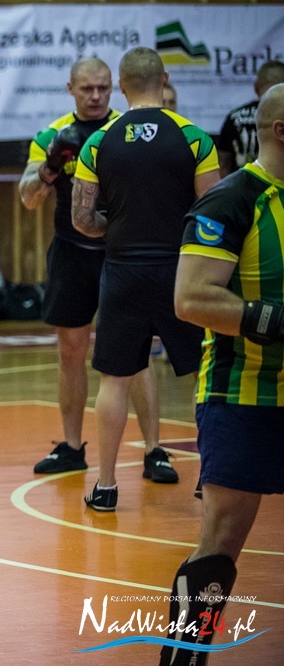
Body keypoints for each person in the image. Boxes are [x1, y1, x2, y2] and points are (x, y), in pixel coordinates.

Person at [158, 83, 284, 666]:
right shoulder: (232, 200)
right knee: (222, 541)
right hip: (242, 393)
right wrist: (276, 321)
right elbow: (190, 299)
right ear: (280, 130)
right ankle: (184, 656)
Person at [71, 47, 220, 511]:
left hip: (122, 270)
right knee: (203, 376)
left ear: (121, 85)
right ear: (165, 79)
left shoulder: (99, 142)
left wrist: (116, 228)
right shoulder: (194, 138)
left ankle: (106, 486)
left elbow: (81, 219)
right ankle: (211, 478)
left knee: (115, 380)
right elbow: (213, 216)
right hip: (180, 272)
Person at [19, 58, 164, 481]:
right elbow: (28, 198)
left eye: (103, 88)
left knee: (136, 352)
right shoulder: (51, 135)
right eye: (87, 89)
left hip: (120, 254)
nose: (96, 96)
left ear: (114, 87)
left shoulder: (125, 131)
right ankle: (71, 447)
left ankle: (155, 451)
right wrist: (50, 167)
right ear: (71, 89)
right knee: (71, 350)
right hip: (71, 253)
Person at [215, 60, 284, 178]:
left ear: (256, 87)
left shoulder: (234, 118)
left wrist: (226, 188)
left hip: (240, 186)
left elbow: (222, 165)